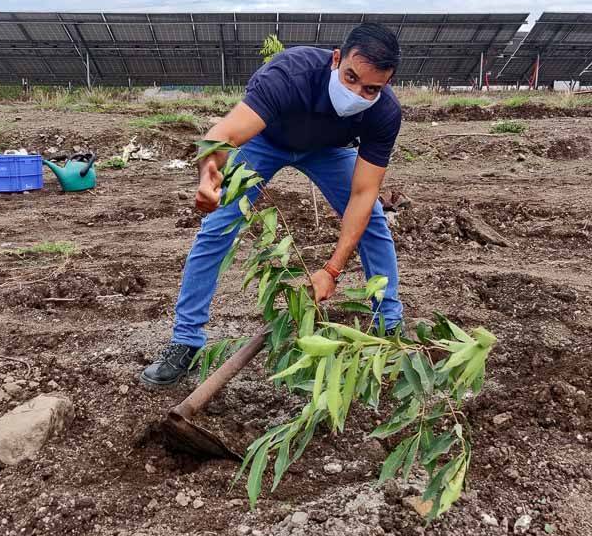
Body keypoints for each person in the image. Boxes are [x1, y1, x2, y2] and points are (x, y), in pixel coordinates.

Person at [140, 22, 404, 388]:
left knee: (373, 222)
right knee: (219, 226)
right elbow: (224, 133)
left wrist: (331, 269)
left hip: (328, 151)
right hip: (267, 141)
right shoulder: (290, 73)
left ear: (386, 85)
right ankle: (186, 340)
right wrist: (207, 174)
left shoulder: (384, 112)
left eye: (371, 88)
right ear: (336, 59)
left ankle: (389, 330)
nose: (357, 93)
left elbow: (362, 194)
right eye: (350, 78)